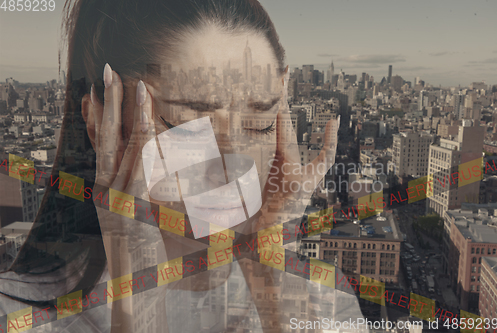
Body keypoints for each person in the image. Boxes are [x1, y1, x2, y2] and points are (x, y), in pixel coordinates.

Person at [0, 0, 368, 332]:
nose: (233, 166)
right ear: (100, 126)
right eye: (185, 124)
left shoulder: (326, 304)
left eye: (261, 124)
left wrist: (274, 283)